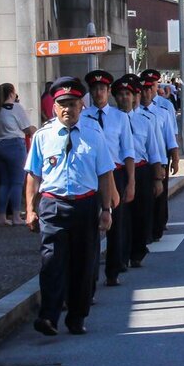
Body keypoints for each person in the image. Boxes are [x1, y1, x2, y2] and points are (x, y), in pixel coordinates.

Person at [24, 77, 114, 336]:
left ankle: (77, 316)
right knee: (51, 262)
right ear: (54, 107)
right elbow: (33, 175)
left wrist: (106, 210)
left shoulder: (94, 135)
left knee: (83, 266)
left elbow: (105, 175)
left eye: (72, 104)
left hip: (85, 205)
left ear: (81, 105)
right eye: (62, 104)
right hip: (53, 205)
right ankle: (48, 317)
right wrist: (30, 209)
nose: (67, 109)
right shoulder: (43, 136)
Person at [82, 70, 135, 287]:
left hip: (116, 173)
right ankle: (90, 276)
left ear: (108, 92)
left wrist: (131, 182)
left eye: (102, 89)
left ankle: (113, 270)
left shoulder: (119, 117)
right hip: (91, 176)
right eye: (94, 89)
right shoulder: (83, 118)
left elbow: (128, 151)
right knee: (91, 228)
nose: (98, 93)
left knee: (116, 224)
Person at [125, 74, 167, 269]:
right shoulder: (113, 120)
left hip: (142, 170)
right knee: (121, 217)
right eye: (122, 94)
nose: (127, 98)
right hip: (119, 171)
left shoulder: (146, 120)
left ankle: (137, 252)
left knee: (141, 214)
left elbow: (154, 150)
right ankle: (120, 256)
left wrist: (158, 177)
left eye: (131, 94)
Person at [138, 70, 180, 242]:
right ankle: (147, 228)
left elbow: (171, 134)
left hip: (161, 155)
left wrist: (175, 157)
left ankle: (158, 224)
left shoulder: (163, 107)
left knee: (159, 194)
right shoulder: (135, 111)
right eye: (145, 88)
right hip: (143, 160)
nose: (148, 91)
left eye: (152, 86)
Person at [0, 83, 37, 225]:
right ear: (12, 93)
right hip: (15, 146)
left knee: (4, 183)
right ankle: (16, 216)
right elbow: (27, 129)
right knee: (17, 182)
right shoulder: (16, 108)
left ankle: (2, 216)